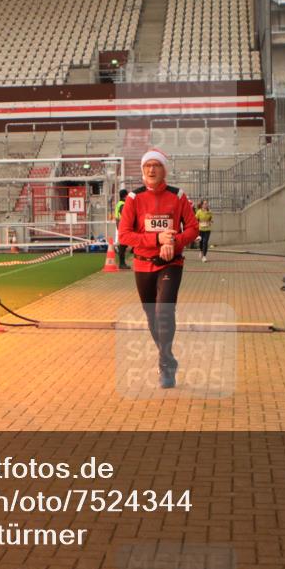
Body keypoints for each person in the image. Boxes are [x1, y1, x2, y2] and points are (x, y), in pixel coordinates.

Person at [118, 149, 200, 389]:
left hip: (170, 264)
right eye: (147, 166)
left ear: (165, 169)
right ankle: (169, 357)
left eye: (156, 165)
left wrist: (173, 242)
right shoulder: (133, 198)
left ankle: (165, 366)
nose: (151, 170)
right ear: (143, 170)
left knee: (164, 311)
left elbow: (193, 229)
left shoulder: (178, 196)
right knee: (152, 317)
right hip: (143, 264)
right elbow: (124, 235)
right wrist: (156, 240)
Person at [114, 188, 131, 269]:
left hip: (120, 225)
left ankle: (122, 263)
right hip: (123, 225)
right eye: (127, 195)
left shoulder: (119, 203)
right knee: (123, 245)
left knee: (123, 244)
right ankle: (121, 263)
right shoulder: (122, 205)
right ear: (125, 196)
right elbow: (125, 215)